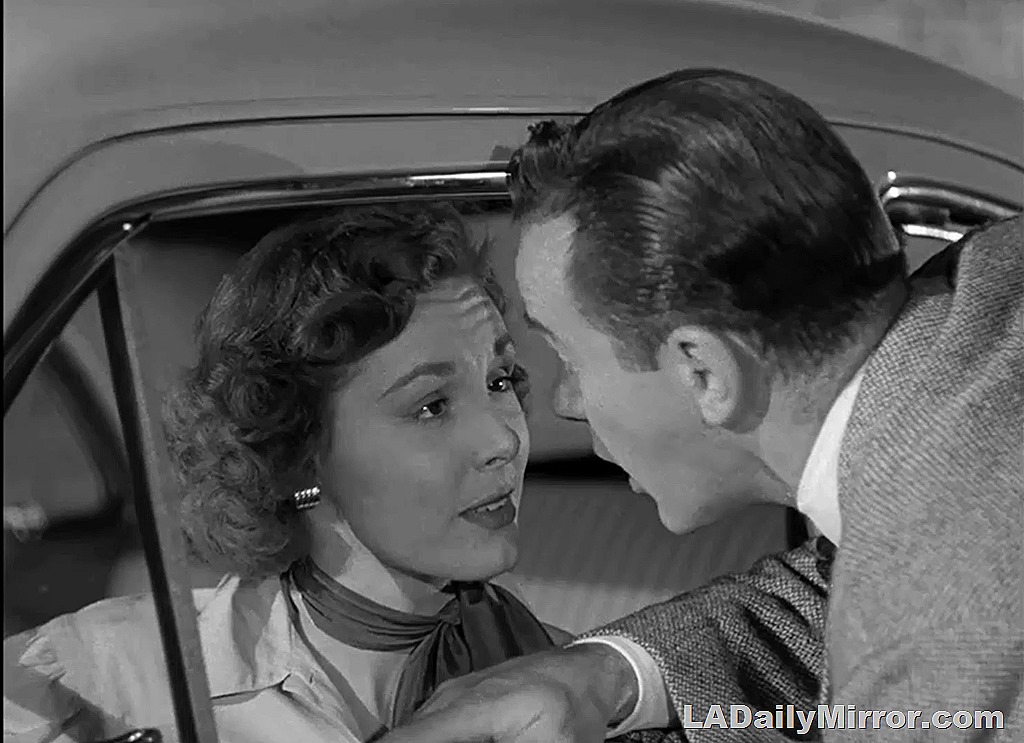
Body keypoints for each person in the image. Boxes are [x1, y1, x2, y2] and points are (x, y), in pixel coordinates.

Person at [378, 69, 1024, 742]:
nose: (565, 402)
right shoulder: (998, 276)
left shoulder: (940, 638)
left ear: (704, 371)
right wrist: (610, 676)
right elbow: (861, 575)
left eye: (569, 358)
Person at [3, 203, 575, 743]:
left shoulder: (575, 684)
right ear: (295, 452)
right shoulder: (112, 676)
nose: (503, 440)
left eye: (500, 381)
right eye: (431, 406)